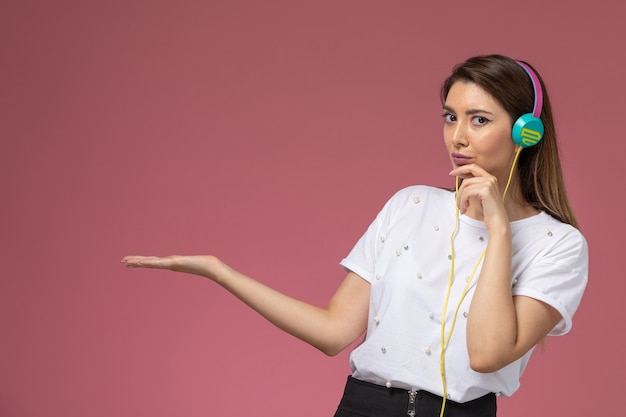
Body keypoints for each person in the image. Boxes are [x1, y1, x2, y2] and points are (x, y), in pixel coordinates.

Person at [122, 54, 588, 417]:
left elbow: (487, 354)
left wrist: (499, 231)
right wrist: (219, 272)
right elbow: (333, 332)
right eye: (450, 117)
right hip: (362, 407)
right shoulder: (410, 204)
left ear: (528, 132)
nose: (457, 138)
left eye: (479, 120)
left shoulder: (558, 245)